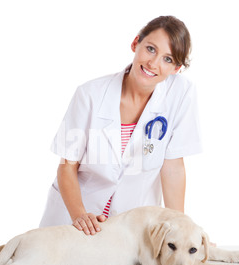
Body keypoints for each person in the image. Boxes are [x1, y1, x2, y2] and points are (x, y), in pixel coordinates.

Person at [40, 16, 202, 236]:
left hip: (131, 229)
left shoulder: (180, 95)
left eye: (167, 59)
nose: (154, 64)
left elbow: (172, 167)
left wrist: (182, 232)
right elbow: (67, 165)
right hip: (74, 218)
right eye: (151, 49)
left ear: (176, 68)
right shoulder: (90, 95)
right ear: (136, 43)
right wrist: (80, 215)